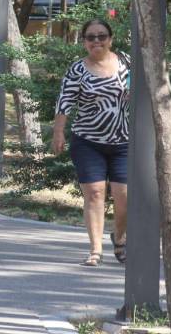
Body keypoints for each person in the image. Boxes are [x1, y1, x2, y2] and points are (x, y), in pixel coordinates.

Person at [52, 19, 129, 267]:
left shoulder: (127, 62)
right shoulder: (78, 69)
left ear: (111, 38)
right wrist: (59, 132)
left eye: (102, 36)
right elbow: (65, 101)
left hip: (123, 141)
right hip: (88, 141)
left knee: (123, 195)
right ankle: (95, 249)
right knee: (95, 194)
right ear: (84, 41)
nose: (97, 41)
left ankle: (119, 237)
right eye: (91, 37)